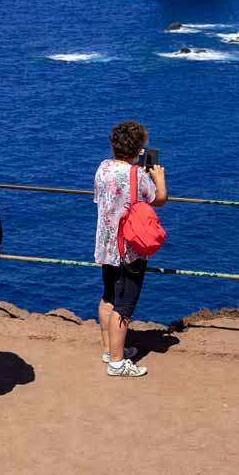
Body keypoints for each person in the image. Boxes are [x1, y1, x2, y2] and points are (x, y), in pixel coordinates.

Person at [93, 119, 167, 377]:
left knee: (109, 296)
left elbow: (99, 198)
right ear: (139, 149)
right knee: (124, 305)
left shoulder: (102, 168)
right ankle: (117, 362)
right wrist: (159, 178)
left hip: (106, 245)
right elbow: (158, 200)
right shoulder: (137, 175)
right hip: (129, 248)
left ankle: (109, 349)